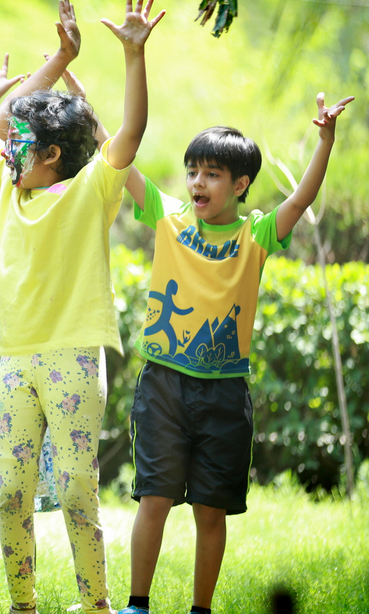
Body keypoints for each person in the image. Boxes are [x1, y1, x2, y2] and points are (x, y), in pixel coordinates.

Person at [0, 0, 163, 614]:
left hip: (72, 356)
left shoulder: (92, 189)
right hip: (12, 358)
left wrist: (132, 56)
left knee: (76, 489)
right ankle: (25, 605)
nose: (6, 144)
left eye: (20, 138)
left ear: (50, 154)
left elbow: (131, 132)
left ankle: (95, 603)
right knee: (13, 494)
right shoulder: (7, 184)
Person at [117, 91, 353, 614]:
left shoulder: (256, 235)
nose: (198, 182)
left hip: (224, 393)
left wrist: (325, 142)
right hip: (162, 383)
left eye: (212, 173)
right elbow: (121, 157)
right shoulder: (168, 215)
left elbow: (302, 200)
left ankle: (201, 609)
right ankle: (138, 604)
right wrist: (80, 98)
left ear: (241, 184)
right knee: (153, 497)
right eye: (193, 171)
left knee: (210, 509)